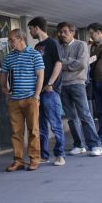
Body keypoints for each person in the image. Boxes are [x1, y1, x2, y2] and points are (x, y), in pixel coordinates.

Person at [0, 29, 45, 171]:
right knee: (16, 132)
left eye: (12, 40)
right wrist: (3, 87)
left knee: (33, 130)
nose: (10, 42)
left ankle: (34, 159)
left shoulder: (34, 54)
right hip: (14, 100)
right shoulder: (9, 56)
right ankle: (18, 161)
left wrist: (36, 96)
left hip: (30, 98)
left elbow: (40, 76)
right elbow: (3, 72)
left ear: (20, 39)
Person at [57, 22, 102, 157]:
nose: (62, 34)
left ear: (72, 32)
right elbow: (57, 63)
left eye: (65, 31)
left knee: (85, 115)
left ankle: (95, 145)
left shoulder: (81, 45)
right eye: (60, 32)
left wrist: (63, 64)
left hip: (77, 83)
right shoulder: (58, 46)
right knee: (71, 117)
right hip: (62, 85)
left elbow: (82, 63)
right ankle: (78, 144)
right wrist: (69, 62)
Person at [28, 16, 65, 167]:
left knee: (55, 123)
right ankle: (44, 155)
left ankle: (60, 155)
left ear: (37, 28)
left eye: (30, 29)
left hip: (50, 91)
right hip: (39, 92)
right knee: (41, 125)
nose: (30, 32)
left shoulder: (52, 43)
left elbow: (58, 63)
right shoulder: (37, 47)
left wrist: (50, 83)